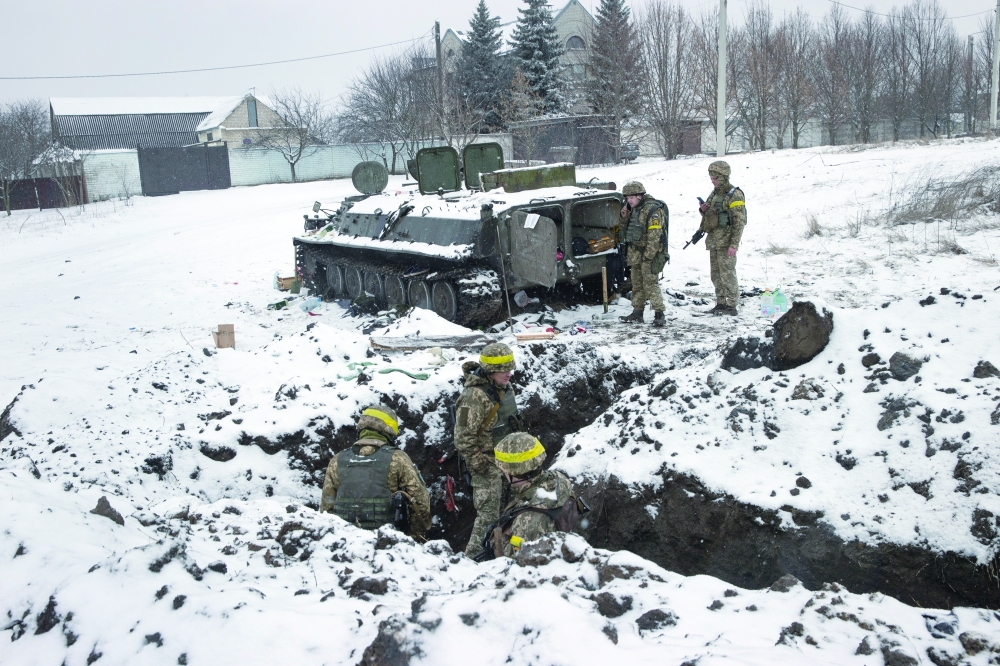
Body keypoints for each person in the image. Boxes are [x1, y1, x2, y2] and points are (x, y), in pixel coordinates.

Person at [454, 342, 524, 558]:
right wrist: (480, 464)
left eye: (510, 368)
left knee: (513, 511)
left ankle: (505, 553)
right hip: (486, 463)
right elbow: (462, 437)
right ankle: (472, 558)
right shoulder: (473, 396)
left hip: (508, 461)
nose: (509, 374)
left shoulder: (504, 388)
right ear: (490, 371)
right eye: (503, 370)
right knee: (488, 516)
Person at [320, 404, 430, 538]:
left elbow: (326, 507)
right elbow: (420, 503)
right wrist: (414, 537)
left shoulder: (337, 460)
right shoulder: (398, 458)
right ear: (389, 430)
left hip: (345, 542)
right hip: (387, 543)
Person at [492, 433, 575, 558]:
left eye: (504, 469)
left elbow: (516, 562)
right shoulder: (558, 479)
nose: (503, 473)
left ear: (513, 472)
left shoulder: (528, 521)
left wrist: (503, 537)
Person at [697, 161, 747, 316]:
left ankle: (731, 305)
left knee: (727, 273)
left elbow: (739, 221)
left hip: (726, 242)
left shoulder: (735, 194)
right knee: (716, 274)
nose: (712, 180)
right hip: (714, 241)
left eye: (715, 178)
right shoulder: (714, 194)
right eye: (711, 177)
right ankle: (721, 302)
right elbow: (711, 215)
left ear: (723, 176)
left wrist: (734, 244)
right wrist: (703, 210)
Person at [618, 181, 668, 328]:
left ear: (640, 195)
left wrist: (649, 256)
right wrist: (624, 216)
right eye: (627, 198)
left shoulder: (652, 210)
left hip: (649, 254)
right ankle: (637, 312)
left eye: (632, 197)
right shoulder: (633, 209)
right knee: (637, 284)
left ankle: (659, 313)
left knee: (650, 284)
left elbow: (655, 235)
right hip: (636, 254)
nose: (629, 200)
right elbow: (624, 230)